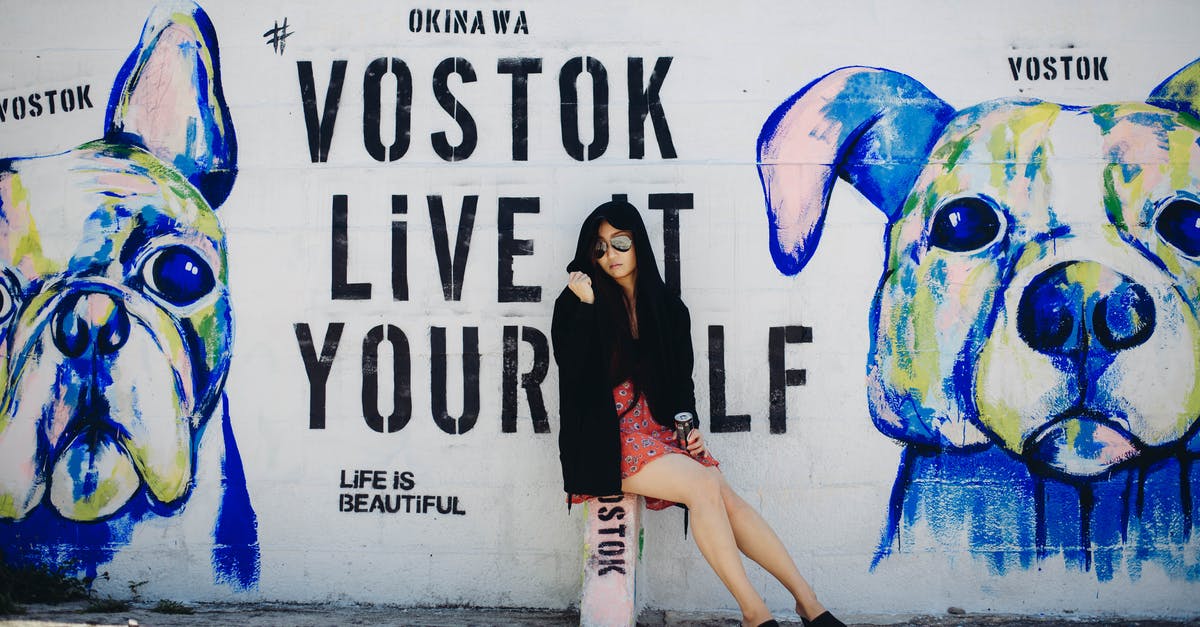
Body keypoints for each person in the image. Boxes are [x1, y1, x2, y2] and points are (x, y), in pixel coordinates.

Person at [551, 199, 845, 627]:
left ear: (638, 245)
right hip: (605, 439)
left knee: (723, 494)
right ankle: (755, 613)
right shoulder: (578, 302)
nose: (610, 255)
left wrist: (689, 428)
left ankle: (808, 603)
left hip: (659, 431)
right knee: (705, 487)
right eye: (599, 247)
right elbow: (576, 375)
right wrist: (588, 305)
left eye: (619, 243)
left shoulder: (667, 309)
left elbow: (681, 387)